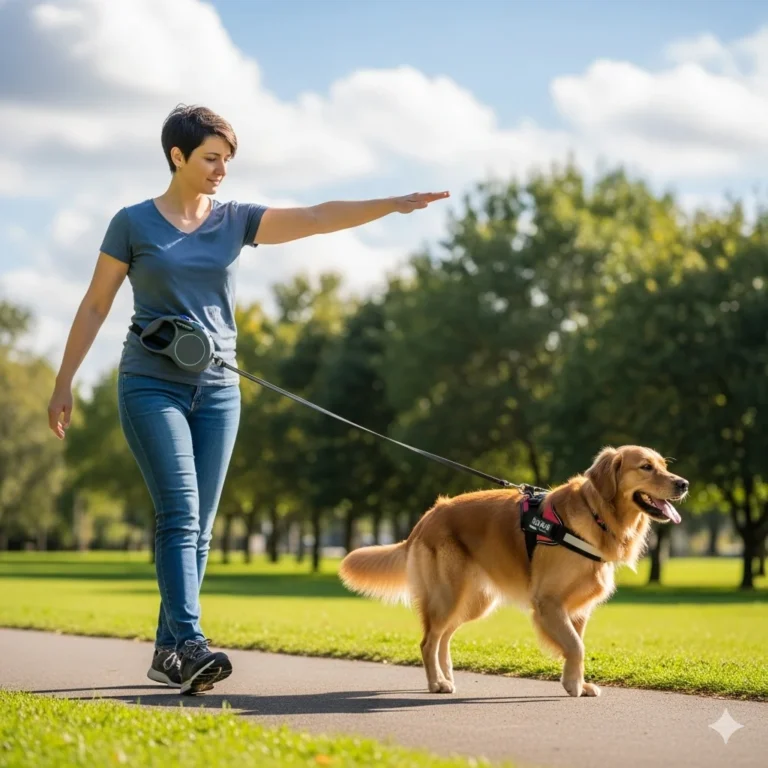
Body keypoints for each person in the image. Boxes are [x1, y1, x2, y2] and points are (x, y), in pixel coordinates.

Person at [46, 104, 449, 695]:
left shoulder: (234, 220)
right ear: (177, 157)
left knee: (200, 526)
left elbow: (313, 216)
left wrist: (390, 203)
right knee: (181, 511)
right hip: (150, 384)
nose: (221, 170)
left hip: (218, 388)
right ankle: (188, 641)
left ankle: (168, 652)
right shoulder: (132, 224)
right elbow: (95, 304)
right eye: (212, 158)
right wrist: (64, 382)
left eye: (228, 160)